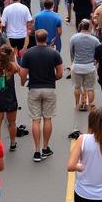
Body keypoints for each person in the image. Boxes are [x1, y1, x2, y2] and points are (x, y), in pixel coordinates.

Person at [19, 29, 64, 162]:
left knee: (36, 120)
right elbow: (60, 73)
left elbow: (22, 73)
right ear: (46, 38)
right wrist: (52, 79)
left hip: (34, 88)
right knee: (48, 119)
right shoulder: (54, 53)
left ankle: (37, 151)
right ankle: (45, 148)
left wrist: (24, 82)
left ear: (36, 39)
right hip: (49, 88)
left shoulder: (28, 54)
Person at [0, 43, 21, 151]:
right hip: (11, 96)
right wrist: (13, 58)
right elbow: (19, 69)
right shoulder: (13, 66)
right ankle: (13, 143)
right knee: (12, 122)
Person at [69, 19, 100, 111]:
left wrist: (72, 62)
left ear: (81, 27)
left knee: (77, 87)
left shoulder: (74, 38)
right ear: (89, 27)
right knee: (90, 88)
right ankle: (90, 105)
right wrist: (96, 62)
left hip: (77, 65)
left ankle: (77, 103)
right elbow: (98, 52)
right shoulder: (95, 39)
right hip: (89, 66)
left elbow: (71, 51)